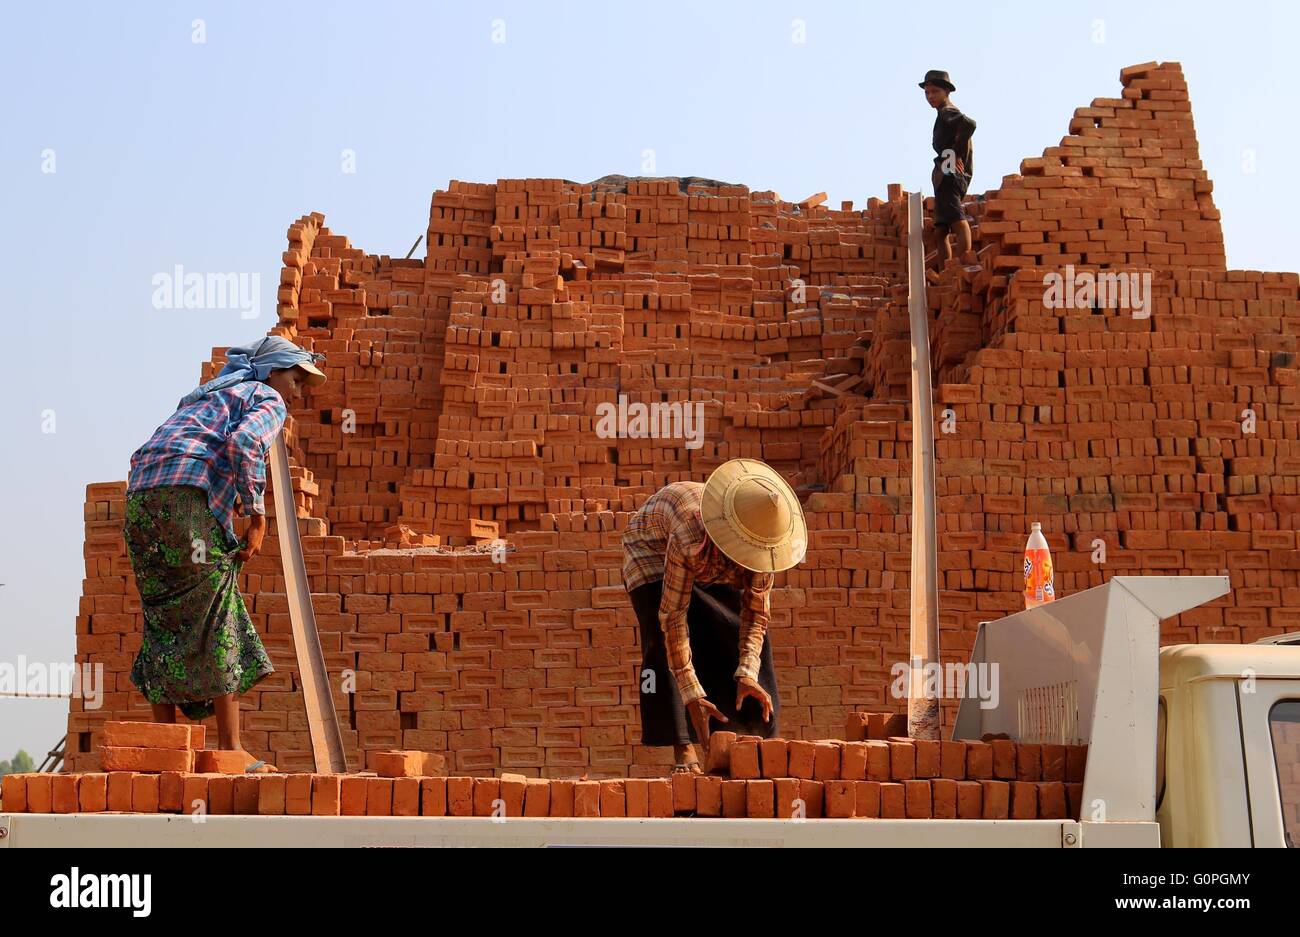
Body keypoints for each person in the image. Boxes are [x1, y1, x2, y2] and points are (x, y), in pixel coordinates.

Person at [123, 335, 327, 773]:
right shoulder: (266, 397)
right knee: (219, 610)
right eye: (297, 380)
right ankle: (230, 751)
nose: (299, 393)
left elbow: (160, 450)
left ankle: (164, 749)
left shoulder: (206, 397)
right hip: (185, 503)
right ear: (273, 372)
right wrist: (257, 515)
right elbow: (243, 444)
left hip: (141, 501)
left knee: (164, 615)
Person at [622, 459, 807, 773]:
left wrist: (747, 673)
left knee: (728, 627)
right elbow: (673, 615)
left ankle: (743, 738)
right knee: (660, 635)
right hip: (649, 549)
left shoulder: (763, 543)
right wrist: (692, 694)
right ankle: (684, 752)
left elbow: (755, 617)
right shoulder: (689, 537)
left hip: (704, 553)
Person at [920, 69, 977, 276]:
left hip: (950, 172)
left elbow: (970, 125)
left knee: (956, 218)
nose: (930, 97)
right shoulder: (942, 114)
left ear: (946, 92)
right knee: (941, 230)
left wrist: (955, 153)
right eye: (927, 93)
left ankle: (965, 265)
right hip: (944, 172)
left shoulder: (948, 111)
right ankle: (947, 273)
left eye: (934, 91)